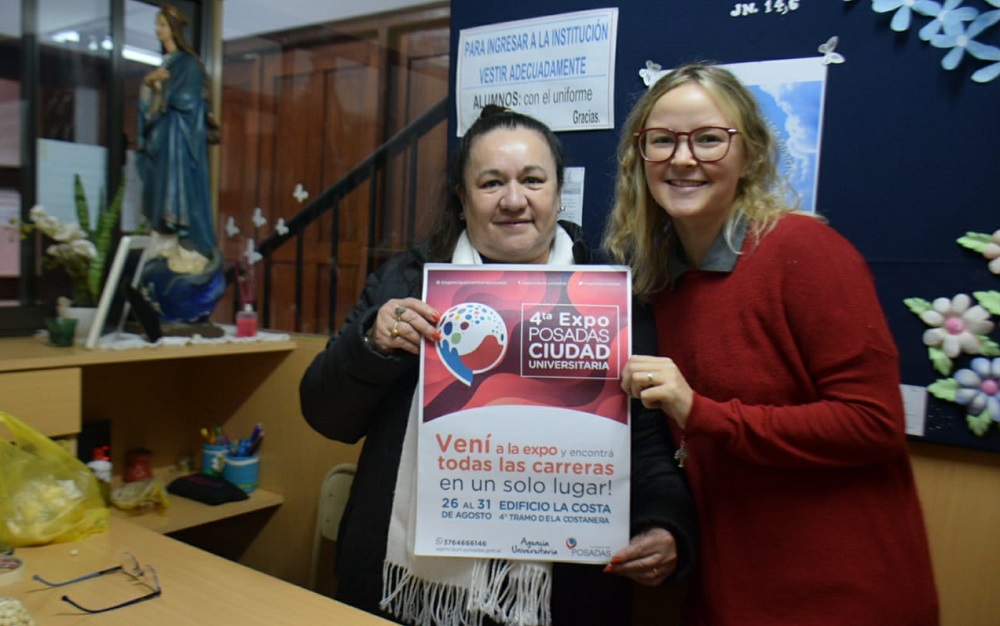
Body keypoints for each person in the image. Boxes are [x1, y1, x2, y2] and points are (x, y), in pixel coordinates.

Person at [300, 105, 698, 626]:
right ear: (463, 200)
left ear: (558, 191)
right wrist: (371, 343)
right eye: (491, 183)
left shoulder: (610, 299)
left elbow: (645, 443)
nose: (514, 200)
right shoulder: (407, 282)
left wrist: (666, 524)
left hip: (560, 595)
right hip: (401, 592)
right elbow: (325, 415)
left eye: (532, 180)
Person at [603, 63, 939, 625]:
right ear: (640, 158)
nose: (683, 158)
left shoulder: (806, 252)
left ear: (750, 155)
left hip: (842, 596)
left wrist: (700, 411)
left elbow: (873, 423)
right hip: (730, 591)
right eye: (661, 141)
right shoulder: (662, 284)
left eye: (710, 139)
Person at [135, 4, 224, 323]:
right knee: (161, 195)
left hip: (180, 145)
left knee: (182, 197)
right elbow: (150, 109)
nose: (158, 31)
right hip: (163, 144)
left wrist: (163, 87)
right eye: (157, 25)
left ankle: (187, 248)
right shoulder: (166, 63)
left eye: (162, 25)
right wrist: (150, 85)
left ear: (174, 28)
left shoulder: (187, 63)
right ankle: (166, 244)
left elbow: (189, 101)